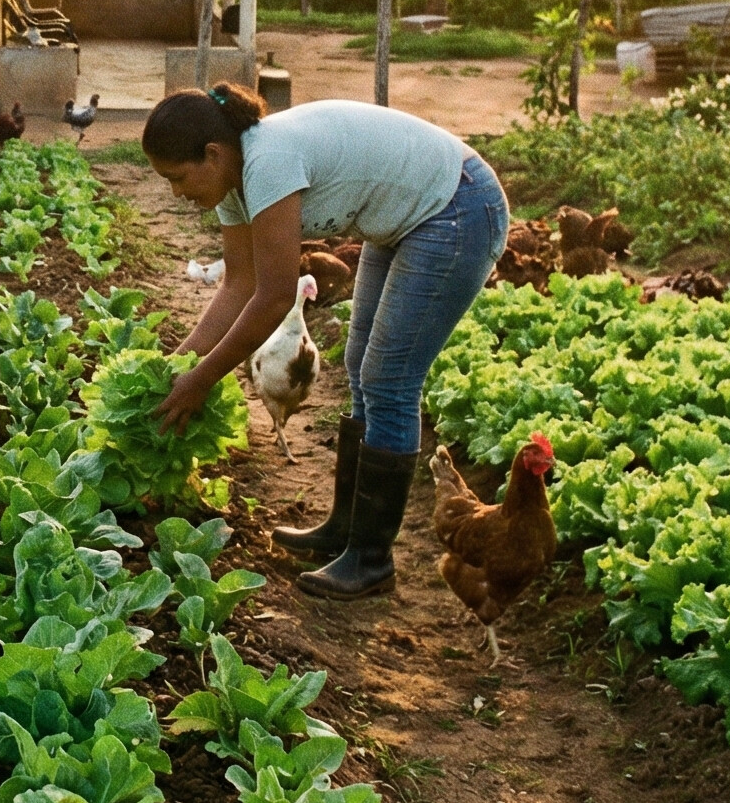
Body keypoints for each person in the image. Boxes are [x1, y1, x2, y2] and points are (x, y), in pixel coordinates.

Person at [140, 83, 509, 600]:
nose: (177, 192)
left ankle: (372, 561)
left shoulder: (266, 162)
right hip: (408, 219)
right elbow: (238, 286)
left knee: (389, 379)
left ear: (212, 154)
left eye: (178, 178)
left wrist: (201, 380)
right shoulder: (232, 181)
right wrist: (175, 365)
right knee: (360, 366)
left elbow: (272, 299)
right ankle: (345, 530)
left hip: (457, 206)